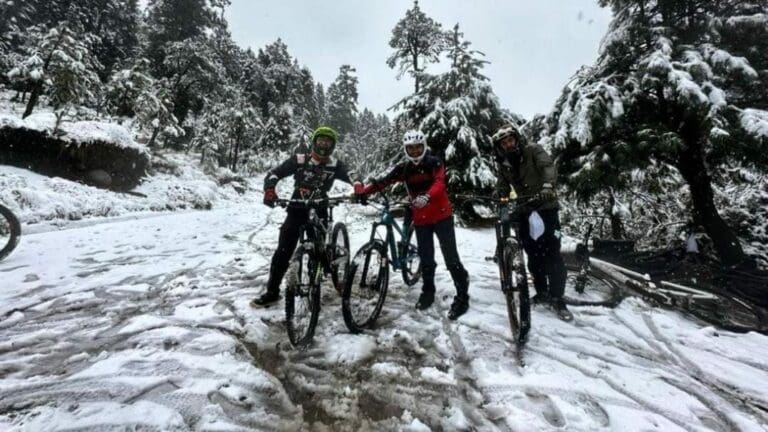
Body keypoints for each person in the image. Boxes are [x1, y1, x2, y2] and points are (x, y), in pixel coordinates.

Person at [357, 130, 470, 320]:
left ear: (424, 146)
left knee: (451, 258)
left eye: (418, 147)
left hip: (442, 217)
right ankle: (428, 291)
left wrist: (427, 196)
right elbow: (384, 181)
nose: (415, 152)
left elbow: (440, 183)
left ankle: (462, 296)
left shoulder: (434, 163)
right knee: (426, 259)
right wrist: (365, 192)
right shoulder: (404, 168)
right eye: (411, 148)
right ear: (406, 149)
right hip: (421, 219)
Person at [251, 126, 363, 306]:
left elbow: (353, 175)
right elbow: (274, 173)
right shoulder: (300, 159)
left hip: (320, 209)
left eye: (327, 142)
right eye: (320, 141)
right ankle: (272, 292)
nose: (323, 145)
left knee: (318, 251)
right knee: (282, 252)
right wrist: (270, 189)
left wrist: (358, 186)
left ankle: (315, 282)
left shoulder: (335, 165)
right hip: (296, 208)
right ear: (314, 142)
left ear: (333, 145)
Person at [491, 124, 572, 321]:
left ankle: (558, 298)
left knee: (552, 253)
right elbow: (502, 185)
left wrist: (547, 186)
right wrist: (498, 195)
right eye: (504, 143)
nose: (508, 145)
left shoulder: (533, 150)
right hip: (525, 209)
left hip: (546, 207)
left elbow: (548, 167)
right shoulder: (504, 164)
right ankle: (542, 292)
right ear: (500, 147)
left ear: (516, 139)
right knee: (533, 253)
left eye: (510, 140)